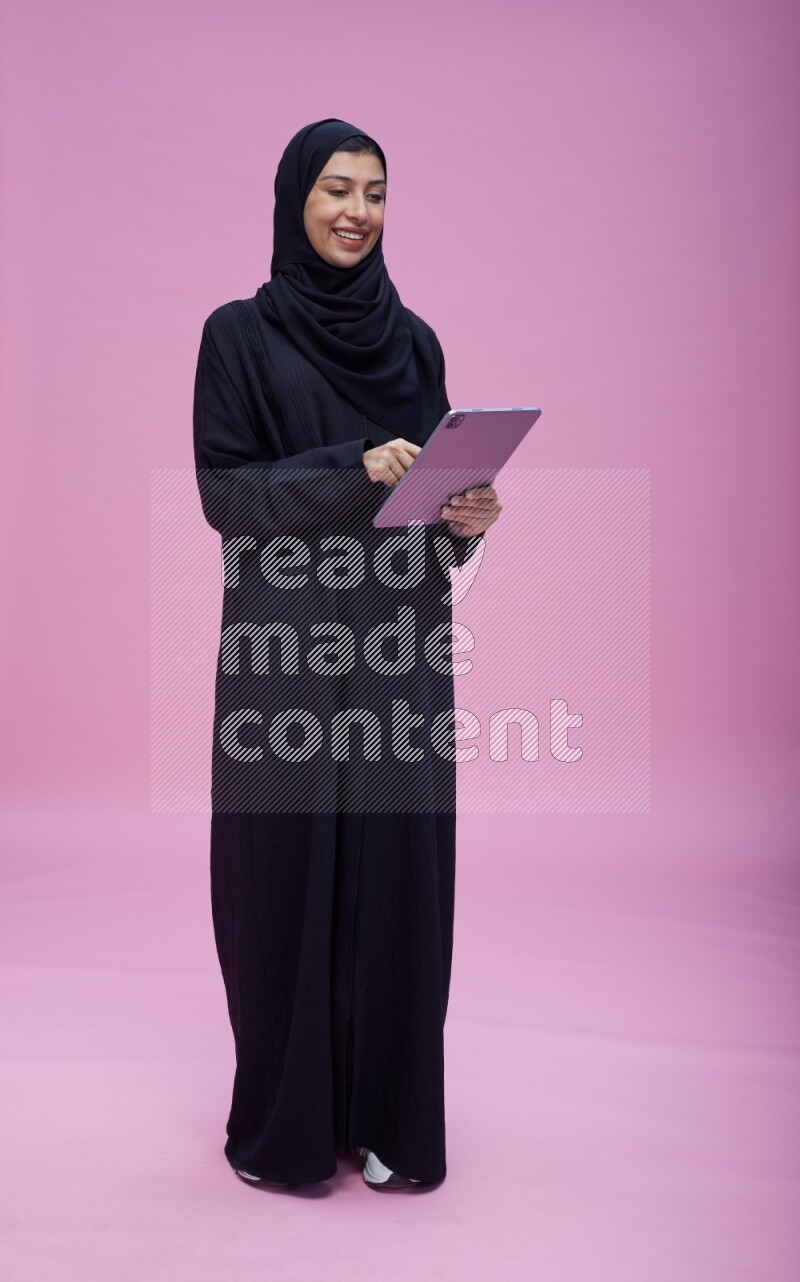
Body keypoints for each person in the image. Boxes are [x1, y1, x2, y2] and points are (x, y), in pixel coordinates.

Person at [193, 117, 502, 1192]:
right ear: (294, 198)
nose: (355, 212)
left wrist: (467, 514)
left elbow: (419, 503)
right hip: (285, 646)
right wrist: (352, 464)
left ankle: (385, 1118)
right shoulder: (235, 334)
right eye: (335, 189)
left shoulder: (412, 342)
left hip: (399, 640)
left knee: (393, 876)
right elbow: (225, 496)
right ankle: (288, 1121)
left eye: (374, 193)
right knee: (281, 869)